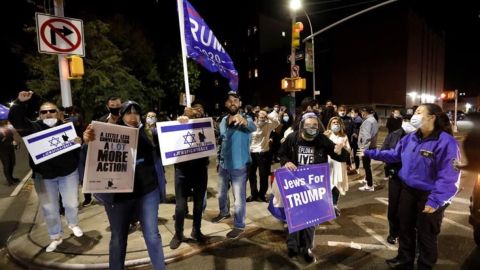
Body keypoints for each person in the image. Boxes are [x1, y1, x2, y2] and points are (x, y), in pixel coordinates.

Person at [360, 103, 461, 269]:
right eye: (415, 112)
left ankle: (425, 265)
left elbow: (449, 176)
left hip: (429, 195)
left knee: (426, 234)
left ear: (432, 117)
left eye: (419, 112)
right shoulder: (410, 137)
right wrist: (370, 153)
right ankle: (404, 259)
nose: (414, 115)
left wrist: (435, 200)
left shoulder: (446, 142)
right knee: (405, 228)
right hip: (408, 190)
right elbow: (394, 154)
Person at [83, 101, 165, 270]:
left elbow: (167, 138)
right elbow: (90, 157)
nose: (133, 116)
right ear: (121, 115)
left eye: (136, 112)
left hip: (147, 192)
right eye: (129, 112)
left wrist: (184, 120)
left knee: (152, 235)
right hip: (119, 196)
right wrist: (88, 141)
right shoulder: (107, 132)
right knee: (119, 238)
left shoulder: (148, 132)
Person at [8, 90, 83, 252]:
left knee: (71, 203)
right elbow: (15, 120)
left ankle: (73, 223)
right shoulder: (32, 128)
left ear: (58, 113)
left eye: (52, 111)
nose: (48, 114)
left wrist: (79, 142)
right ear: (40, 115)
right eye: (44, 112)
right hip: (44, 177)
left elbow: (77, 149)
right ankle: (55, 236)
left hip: (68, 173)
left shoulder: (67, 128)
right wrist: (20, 102)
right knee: (49, 209)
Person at [279, 112, 349, 262]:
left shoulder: (322, 139)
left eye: (315, 125)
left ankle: (306, 248)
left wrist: (340, 151)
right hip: (295, 183)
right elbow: (282, 153)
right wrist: (286, 162)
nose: (312, 128)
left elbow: (340, 157)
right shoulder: (292, 138)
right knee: (295, 215)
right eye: (309, 125)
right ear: (302, 126)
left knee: (311, 219)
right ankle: (292, 246)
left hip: (315, 186)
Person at [212, 91, 256, 239]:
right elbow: (222, 142)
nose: (232, 103)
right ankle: (224, 212)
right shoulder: (223, 121)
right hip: (224, 165)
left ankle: (239, 225)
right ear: (225, 104)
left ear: (240, 104)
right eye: (229, 101)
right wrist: (219, 160)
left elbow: (252, 127)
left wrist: (243, 121)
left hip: (239, 166)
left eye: (235, 100)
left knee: (239, 199)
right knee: (221, 194)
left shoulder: (246, 118)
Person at [169, 104, 210, 249]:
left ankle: (196, 230)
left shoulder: (206, 126)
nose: (197, 114)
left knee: (198, 205)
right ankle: (178, 233)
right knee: (180, 206)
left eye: (200, 113)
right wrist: (179, 121)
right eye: (194, 113)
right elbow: (162, 135)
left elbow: (214, 134)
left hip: (200, 170)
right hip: (182, 171)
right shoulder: (181, 125)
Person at [380, 114, 406, 245]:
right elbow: (385, 153)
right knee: (398, 207)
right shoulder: (398, 134)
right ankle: (397, 233)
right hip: (400, 176)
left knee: (399, 207)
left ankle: (398, 234)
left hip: (404, 178)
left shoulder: (395, 135)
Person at [247, 109, 280, 202]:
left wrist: (267, 115)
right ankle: (254, 194)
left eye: (264, 117)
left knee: (264, 174)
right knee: (251, 174)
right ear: (256, 118)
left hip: (263, 153)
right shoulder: (251, 125)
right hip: (251, 152)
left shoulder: (268, 125)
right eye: (260, 117)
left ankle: (262, 194)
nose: (262, 119)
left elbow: (276, 122)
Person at [324, 116, 351, 216]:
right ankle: (327, 205)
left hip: (340, 164)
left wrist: (343, 147)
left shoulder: (344, 137)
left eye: (337, 123)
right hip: (329, 163)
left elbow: (349, 151)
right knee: (328, 184)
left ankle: (334, 205)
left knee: (337, 185)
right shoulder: (327, 135)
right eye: (333, 122)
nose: (335, 124)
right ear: (330, 125)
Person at [357, 106, 379, 191]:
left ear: (366, 112)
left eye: (363, 111)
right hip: (371, 146)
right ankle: (367, 180)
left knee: (366, 166)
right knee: (367, 165)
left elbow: (366, 136)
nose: (361, 113)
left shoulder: (368, 121)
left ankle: (369, 185)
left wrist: (363, 149)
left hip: (366, 147)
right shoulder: (373, 120)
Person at [0, 120, 19, 186]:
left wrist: (15, 142)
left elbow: (11, 138)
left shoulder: (8, 130)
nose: (8, 123)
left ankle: (11, 177)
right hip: (3, 151)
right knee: (7, 165)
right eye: (6, 122)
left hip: (10, 149)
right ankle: (9, 180)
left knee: (12, 163)